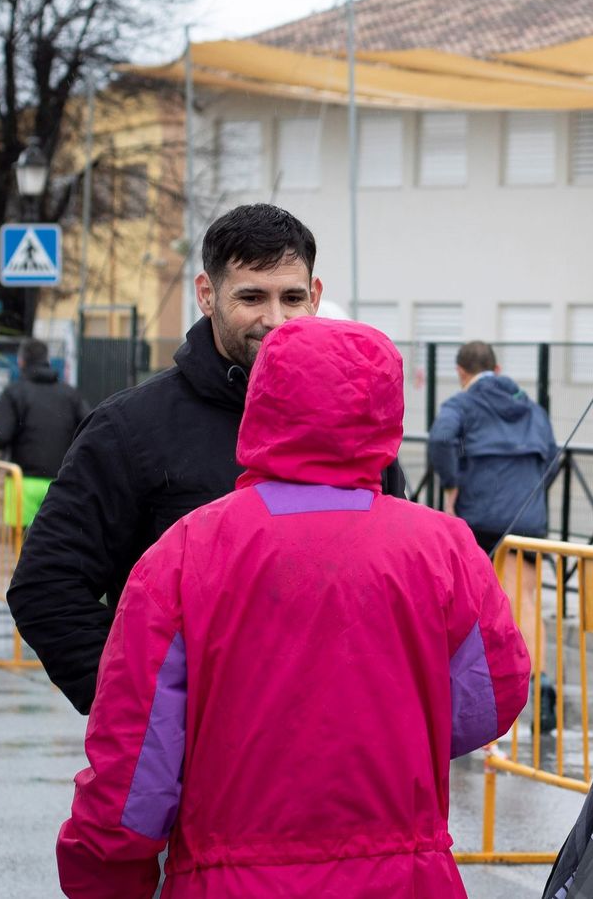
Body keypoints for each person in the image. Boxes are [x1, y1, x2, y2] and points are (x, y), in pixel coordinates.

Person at [56, 317, 530, 898]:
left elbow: (133, 763)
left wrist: (104, 877)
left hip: (228, 878)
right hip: (406, 877)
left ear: (263, 400)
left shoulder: (186, 550)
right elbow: (496, 692)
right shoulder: (443, 547)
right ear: (387, 411)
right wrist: (393, 731)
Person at [8, 204, 406, 714]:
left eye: (292, 297)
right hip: (194, 769)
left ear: (317, 296)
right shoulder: (130, 428)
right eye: (251, 297)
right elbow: (47, 586)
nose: (275, 320)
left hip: (340, 751)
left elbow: (397, 581)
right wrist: (154, 708)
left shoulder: (357, 423)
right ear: (206, 295)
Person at [427, 340, 560, 729]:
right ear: (498, 369)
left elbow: (440, 440)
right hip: (527, 518)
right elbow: (551, 456)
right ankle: (541, 689)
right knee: (527, 602)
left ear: (461, 373)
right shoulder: (531, 406)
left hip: (478, 516)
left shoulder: (462, 403)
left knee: (470, 603)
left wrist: (453, 485)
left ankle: (472, 694)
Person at [0, 338, 89, 527]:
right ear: (47, 359)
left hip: (23, 483)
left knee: (23, 548)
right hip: (60, 485)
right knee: (54, 546)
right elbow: (89, 430)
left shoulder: (14, 393)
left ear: (21, 361)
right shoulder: (70, 394)